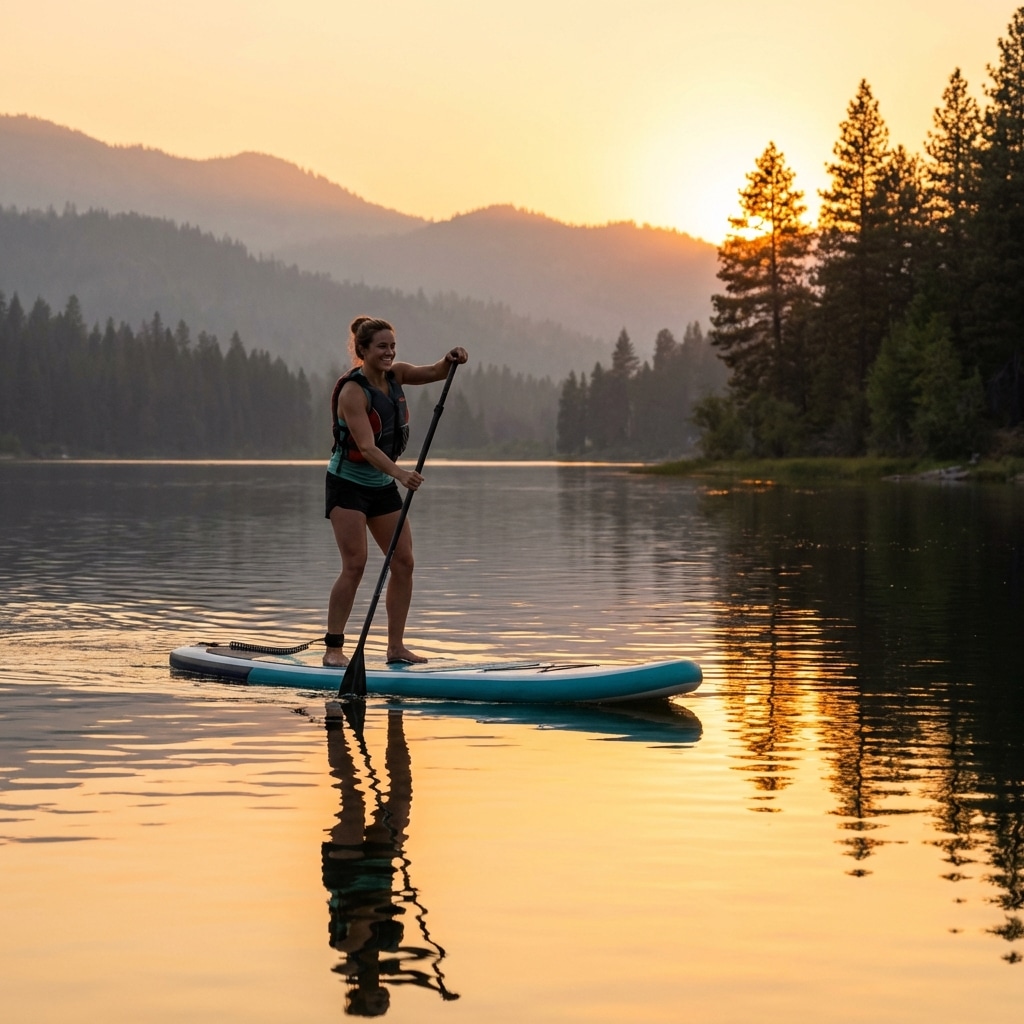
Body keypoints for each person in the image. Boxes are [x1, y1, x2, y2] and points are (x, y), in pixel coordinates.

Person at [323, 316, 468, 667]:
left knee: (403, 562)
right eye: (381, 347)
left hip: (381, 485)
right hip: (348, 485)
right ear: (362, 350)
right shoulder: (352, 392)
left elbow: (434, 372)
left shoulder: (396, 375)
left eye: (392, 346)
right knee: (355, 564)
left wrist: (450, 359)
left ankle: (396, 647)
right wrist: (401, 475)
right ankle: (334, 649)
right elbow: (368, 448)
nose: (389, 353)